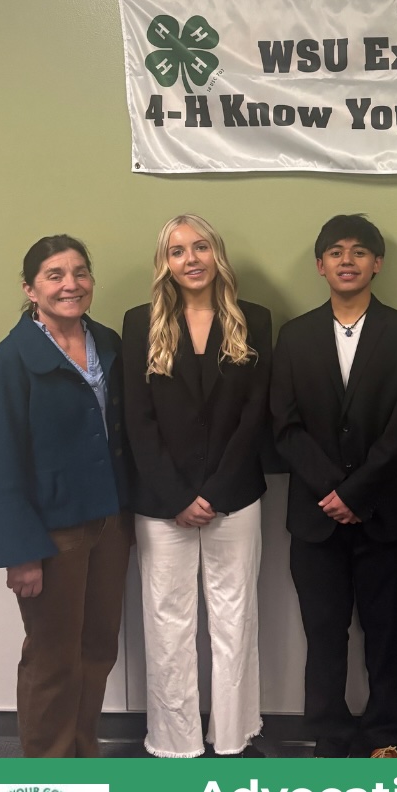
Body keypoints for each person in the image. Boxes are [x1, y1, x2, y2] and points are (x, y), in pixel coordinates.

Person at [271, 214, 397, 759]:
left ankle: (386, 734)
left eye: (359, 252)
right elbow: (284, 424)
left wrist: (357, 492)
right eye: (335, 252)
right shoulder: (292, 336)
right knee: (324, 632)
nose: (347, 260)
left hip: (385, 513)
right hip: (316, 517)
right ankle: (331, 736)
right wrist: (334, 490)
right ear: (320, 265)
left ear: (376, 263)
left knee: (386, 633)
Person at [0, 234, 132, 757]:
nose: (71, 284)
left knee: (96, 650)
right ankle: (48, 775)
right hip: (53, 535)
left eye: (80, 272)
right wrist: (21, 553)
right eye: (55, 275)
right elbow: (1, 466)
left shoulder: (109, 342)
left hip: (110, 525)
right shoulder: (8, 362)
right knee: (52, 657)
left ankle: (83, 758)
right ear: (30, 288)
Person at [122, 214, 271, 758]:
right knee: (168, 621)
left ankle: (232, 736)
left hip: (235, 494)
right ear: (165, 261)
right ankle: (174, 740)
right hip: (163, 502)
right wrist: (179, 495)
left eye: (200, 246)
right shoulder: (140, 323)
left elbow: (254, 416)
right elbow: (137, 419)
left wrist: (216, 489)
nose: (190, 259)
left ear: (217, 253)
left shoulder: (254, 319)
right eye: (177, 250)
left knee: (236, 617)